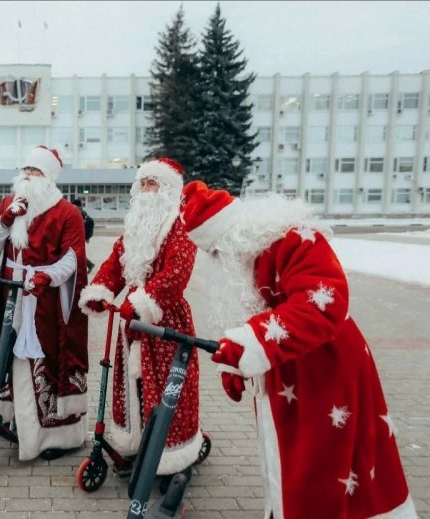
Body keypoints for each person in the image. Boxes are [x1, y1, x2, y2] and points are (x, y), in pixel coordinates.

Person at [178, 180, 416, 519]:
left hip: (326, 371)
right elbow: (258, 314)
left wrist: (251, 342)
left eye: (216, 249)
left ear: (233, 234)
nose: (215, 258)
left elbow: (324, 300)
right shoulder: (250, 254)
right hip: (288, 372)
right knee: (293, 462)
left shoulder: (291, 238)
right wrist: (237, 364)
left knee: (320, 467)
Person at [78, 158, 202, 478]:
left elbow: (176, 274)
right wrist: (101, 291)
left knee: (165, 388)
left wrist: (143, 301)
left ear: (168, 189)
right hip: (133, 321)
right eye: (143, 183)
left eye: (153, 183)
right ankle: (140, 444)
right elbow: (117, 262)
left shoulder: (180, 224)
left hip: (165, 321)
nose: (147, 190)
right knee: (136, 386)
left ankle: (172, 455)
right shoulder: (135, 225)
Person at [0, 145, 89, 461]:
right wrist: (3, 221)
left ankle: (58, 437)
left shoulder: (68, 213)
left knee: (49, 366)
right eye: (25, 169)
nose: (28, 175)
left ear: (49, 177)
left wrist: (46, 278)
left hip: (48, 307)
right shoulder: (10, 205)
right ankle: (23, 427)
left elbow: (73, 260)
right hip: (12, 299)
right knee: (14, 363)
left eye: (35, 171)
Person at [71, 199, 95, 273]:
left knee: (75, 252)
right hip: (77, 236)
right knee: (75, 252)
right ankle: (88, 264)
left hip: (78, 236)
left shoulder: (81, 213)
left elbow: (86, 224)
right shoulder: (82, 213)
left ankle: (88, 264)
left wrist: (87, 237)